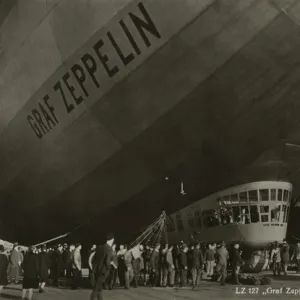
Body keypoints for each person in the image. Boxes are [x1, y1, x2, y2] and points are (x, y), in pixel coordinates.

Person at [90, 233, 114, 300]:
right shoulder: (109, 249)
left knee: (99, 287)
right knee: (97, 287)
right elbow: (107, 261)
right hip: (103, 271)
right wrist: (109, 268)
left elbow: (94, 259)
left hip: (97, 269)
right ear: (111, 240)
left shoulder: (99, 247)